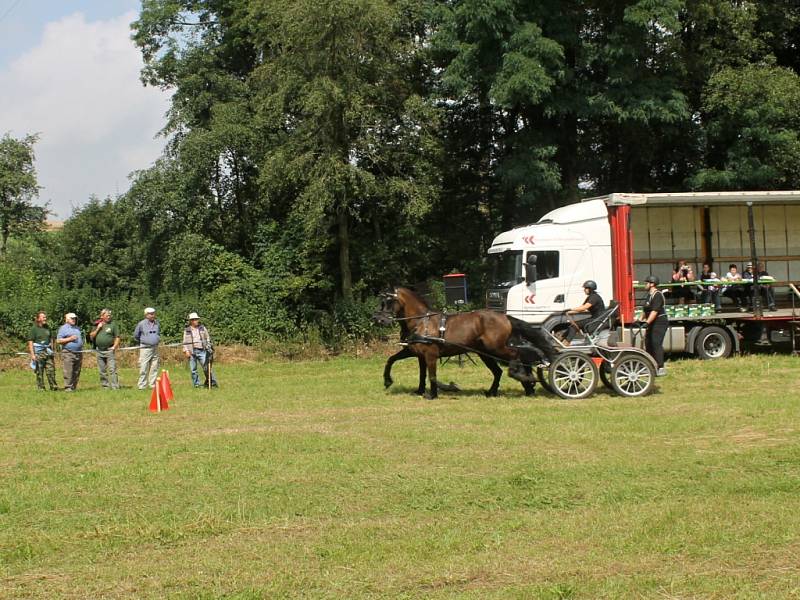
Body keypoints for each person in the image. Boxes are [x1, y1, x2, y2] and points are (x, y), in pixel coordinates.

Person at [182, 312, 218, 388]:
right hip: (191, 352)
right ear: (191, 321)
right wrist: (186, 351)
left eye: (197, 319)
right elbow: (184, 342)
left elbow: (207, 338)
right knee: (193, 370)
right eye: (195, 319)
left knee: (207, 368)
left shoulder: (202, 328)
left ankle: (212, 382)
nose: (197, 321)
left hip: (202, 350)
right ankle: (197, 384)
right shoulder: (187, 330)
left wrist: (208, 345)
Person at [642, 275, 668, 377]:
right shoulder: (649, 295)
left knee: (656, 343)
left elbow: (655, 311)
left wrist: (647, 322)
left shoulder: (657, 295)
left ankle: (660, 367)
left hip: (660, 322)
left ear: (652, 284)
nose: (645, 285)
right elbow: (646, 310)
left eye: (646, 283)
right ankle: (650, 366)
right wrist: (639, 320)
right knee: (648, 343)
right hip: (652, 322)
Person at [89, 308, 120, 389]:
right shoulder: (96, 324)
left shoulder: (113, 325)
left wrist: (114, 347)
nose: (109, 317)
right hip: (99, 350)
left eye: (110, 315)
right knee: (102, 371)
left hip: (109, 350)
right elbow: (91, 337)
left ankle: (115, 387)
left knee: (112, 369)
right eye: (107, 315)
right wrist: (98, 328)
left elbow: (117, 337)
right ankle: (105, 386)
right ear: (102, 316)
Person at [27, 311, 58, 391]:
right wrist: (32, 355)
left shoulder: (48, 327)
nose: (45, 318)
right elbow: (30, 342)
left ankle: (53, 387)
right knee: (39, 371)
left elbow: (52, 339)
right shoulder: (34, 329)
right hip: (38, 353)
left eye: (45, 317)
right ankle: (41, 388)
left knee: (51, 370)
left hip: (48, 352)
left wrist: (53, 350)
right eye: (43, 317)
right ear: (38, 318)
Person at [133, 307, 160, 389]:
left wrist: (156, 340)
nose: (152, 315)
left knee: (154, 367)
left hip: (155, 348)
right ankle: (142, 385)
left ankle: (153, 385)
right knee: (143, 367)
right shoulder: (141, 324)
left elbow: (158, 333)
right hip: (145, 348)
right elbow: (136, 335)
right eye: (150, 314)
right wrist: (144, 341)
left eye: (153, 313)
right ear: (146, 315)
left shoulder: (157, 323)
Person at [56, 312, 83, 392]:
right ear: (67, 319)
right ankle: (68, 387)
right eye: (72, 318)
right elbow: (58, 340)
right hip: (68, 352)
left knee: (77, 371)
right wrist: (70, 339)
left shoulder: (77, 328)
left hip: (78, 352)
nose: (74, 319)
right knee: (68, 370)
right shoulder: (63, 328)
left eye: (74, 318)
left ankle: (74, 387)